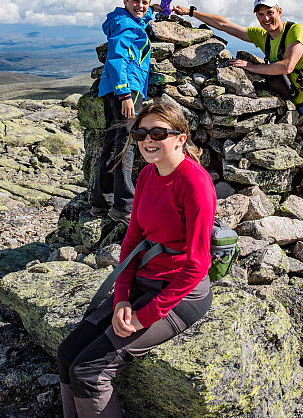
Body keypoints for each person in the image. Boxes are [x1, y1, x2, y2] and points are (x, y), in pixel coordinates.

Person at [57, 99, 216, 418]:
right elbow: (133, 239)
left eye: (158, 133)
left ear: (180, 138)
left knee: (89, 373)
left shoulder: (195, 184)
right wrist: (121, 299)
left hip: (180, 293)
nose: (147, 141)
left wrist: (145, 316)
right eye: (141, 134)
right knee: (67, 354)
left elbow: (197, 263)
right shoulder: (147, 175)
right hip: (143, 278)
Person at [172, 0, 303, 238]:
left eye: (270, 12)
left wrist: (251, 67)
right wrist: (192, 12)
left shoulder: (296, 31)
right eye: (260, 14)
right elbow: (226, 25)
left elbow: (287, 65)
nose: (266, 18)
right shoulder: (264, 37)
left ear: (279, 10)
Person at [92, 0, 156, 224]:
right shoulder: (127, 27)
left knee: (112, 143)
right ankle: (124, 207)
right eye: (135, 1)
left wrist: (153, 11)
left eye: (144, 2)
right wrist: (125, 96)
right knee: (126, 145)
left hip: (113, 89)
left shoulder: (121, 20)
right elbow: (117, 59)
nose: (140, 6)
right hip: (127, 90)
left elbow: (142, 15)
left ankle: (102, 203)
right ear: (125, 1)